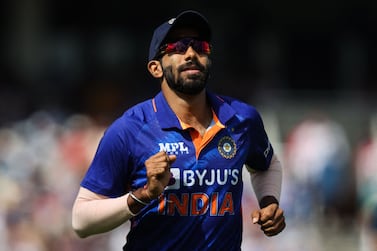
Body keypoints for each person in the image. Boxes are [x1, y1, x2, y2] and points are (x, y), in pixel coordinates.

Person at [72, 10, 286, 250]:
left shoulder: (242, 118)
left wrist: (269, 201)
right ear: (156, 68)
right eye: (178, 47)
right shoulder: (129, 129)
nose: (191, 54)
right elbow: (81, 220)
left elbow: (266, 165)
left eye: (200, 46)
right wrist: (143, 195)